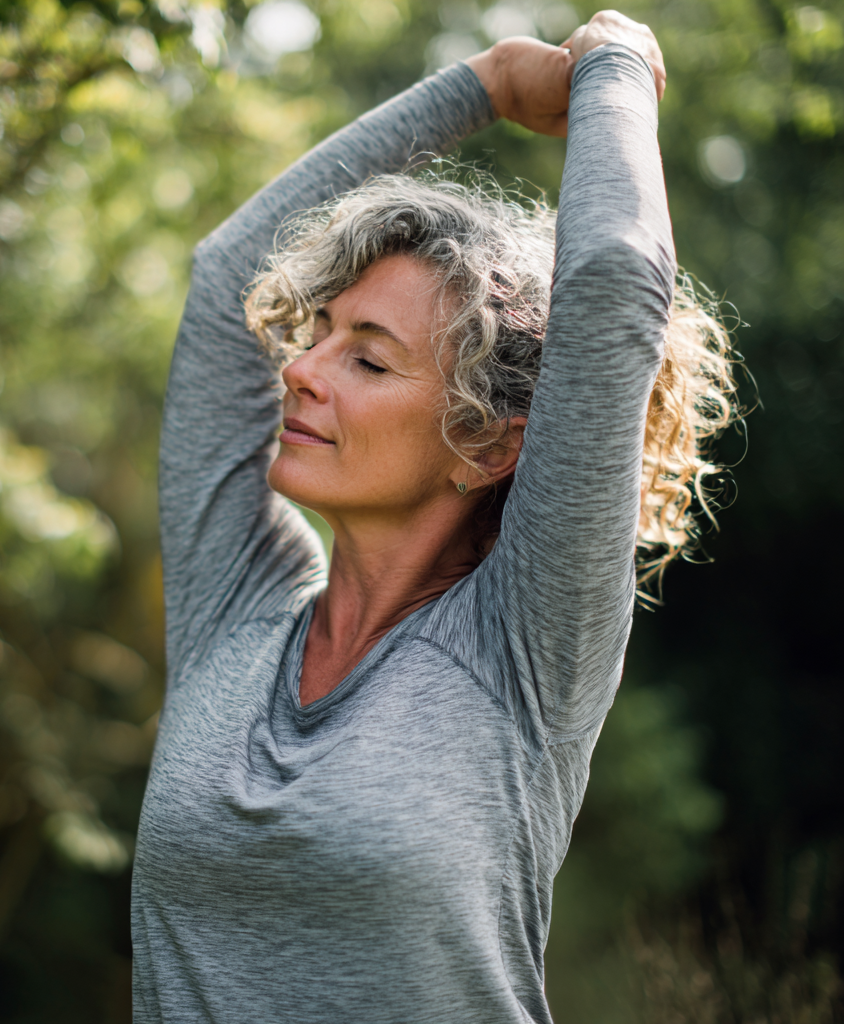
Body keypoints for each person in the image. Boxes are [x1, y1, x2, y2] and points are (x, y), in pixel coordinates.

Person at [132, 11, 737, 1023]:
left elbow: (611, 284)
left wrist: (615, 62)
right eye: (320, 333)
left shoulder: (523, 645)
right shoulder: (233, 605)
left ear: (489, 445)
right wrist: (486, 83)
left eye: (368, 360)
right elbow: (223, 283)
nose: (303, 370)